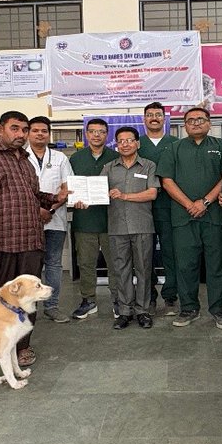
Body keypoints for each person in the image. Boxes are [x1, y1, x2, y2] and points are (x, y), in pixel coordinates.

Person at [0, 110, 66, 367]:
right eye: (15, 128)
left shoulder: (25, 161)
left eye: (24, 130)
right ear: (0, 129)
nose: (21, 135)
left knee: (27, 300)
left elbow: (32, 194)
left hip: (29, 241)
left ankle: (21, 349)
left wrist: (56, 198)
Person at [156, 106, 222, 330]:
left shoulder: (221, 147)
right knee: (185, 265)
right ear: (184, 126)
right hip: (183, 217)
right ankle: (188, 308)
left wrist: (205, 202)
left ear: (209, 123)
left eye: (201, 119)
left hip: (214, 216)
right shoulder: (174, 148)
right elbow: (166, 180)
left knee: (218, 264)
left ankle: (219, 308)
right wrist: (190, 204)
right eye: (191, 120)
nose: (196, 123)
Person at [102, 126, 159, 330]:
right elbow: (98, 192)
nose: (125, 144)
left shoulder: (148, 166)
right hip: (116, 226)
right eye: (121, 141)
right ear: (116, 145)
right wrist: (83, 197)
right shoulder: (108, 168)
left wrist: (125, 196)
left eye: (129, 140)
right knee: (121, 270)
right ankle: (125, 311)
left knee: (144, 270)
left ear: (138, 143)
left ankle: (142, 311)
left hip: (142, 225)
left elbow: (152, 193)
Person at [68, 118, 120, 320]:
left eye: (101, 131)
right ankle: (88, 300)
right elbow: (69, 187)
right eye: (92, 131)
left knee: (116, 263)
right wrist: (74, 199)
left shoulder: (116, 157)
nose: (96, 135)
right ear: (86, 134)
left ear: (106, 135)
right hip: (84, 220)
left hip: (112, 221)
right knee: (86, 263)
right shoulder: (75, 158)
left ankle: (118, 299)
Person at [26, 116, 73, 323]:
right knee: (29, 265)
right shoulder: (18, 157)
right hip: (26, 221)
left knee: (53, 264)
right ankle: (27, 307)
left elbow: (66, 188)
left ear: (49, 134)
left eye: (44, 131)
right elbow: (17, 192)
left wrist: (49, 210)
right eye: (35, 130)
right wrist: (37, 211)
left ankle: (52, 306)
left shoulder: (60, 158)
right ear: (28, 133)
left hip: (55, 219)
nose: (40, 134)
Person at [138, 102, 180, 315]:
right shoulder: (137, 144)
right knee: (144, 255)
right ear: (144, 119)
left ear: (164, 119)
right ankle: (149, 295)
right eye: (149, 115)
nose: (154, 118)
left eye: (157, 114)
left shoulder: (175, 143)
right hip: (141, 208)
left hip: (169, 207)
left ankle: (170, 295)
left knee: (170, 252)